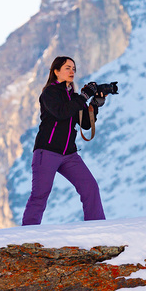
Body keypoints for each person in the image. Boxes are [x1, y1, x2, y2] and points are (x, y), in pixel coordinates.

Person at [22, 55, 106, 224]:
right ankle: (26, 235)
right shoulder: (49, 93)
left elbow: (85, 124)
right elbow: (61, 112)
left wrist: (95, 105)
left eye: (74, 68)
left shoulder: (74, 97)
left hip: (69, 154)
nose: (72, 71)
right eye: (67, 68)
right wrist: (82, 97)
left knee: (90, 187)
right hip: (47, 151)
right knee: (40, 194)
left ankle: (97, 228)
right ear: (56, 71)